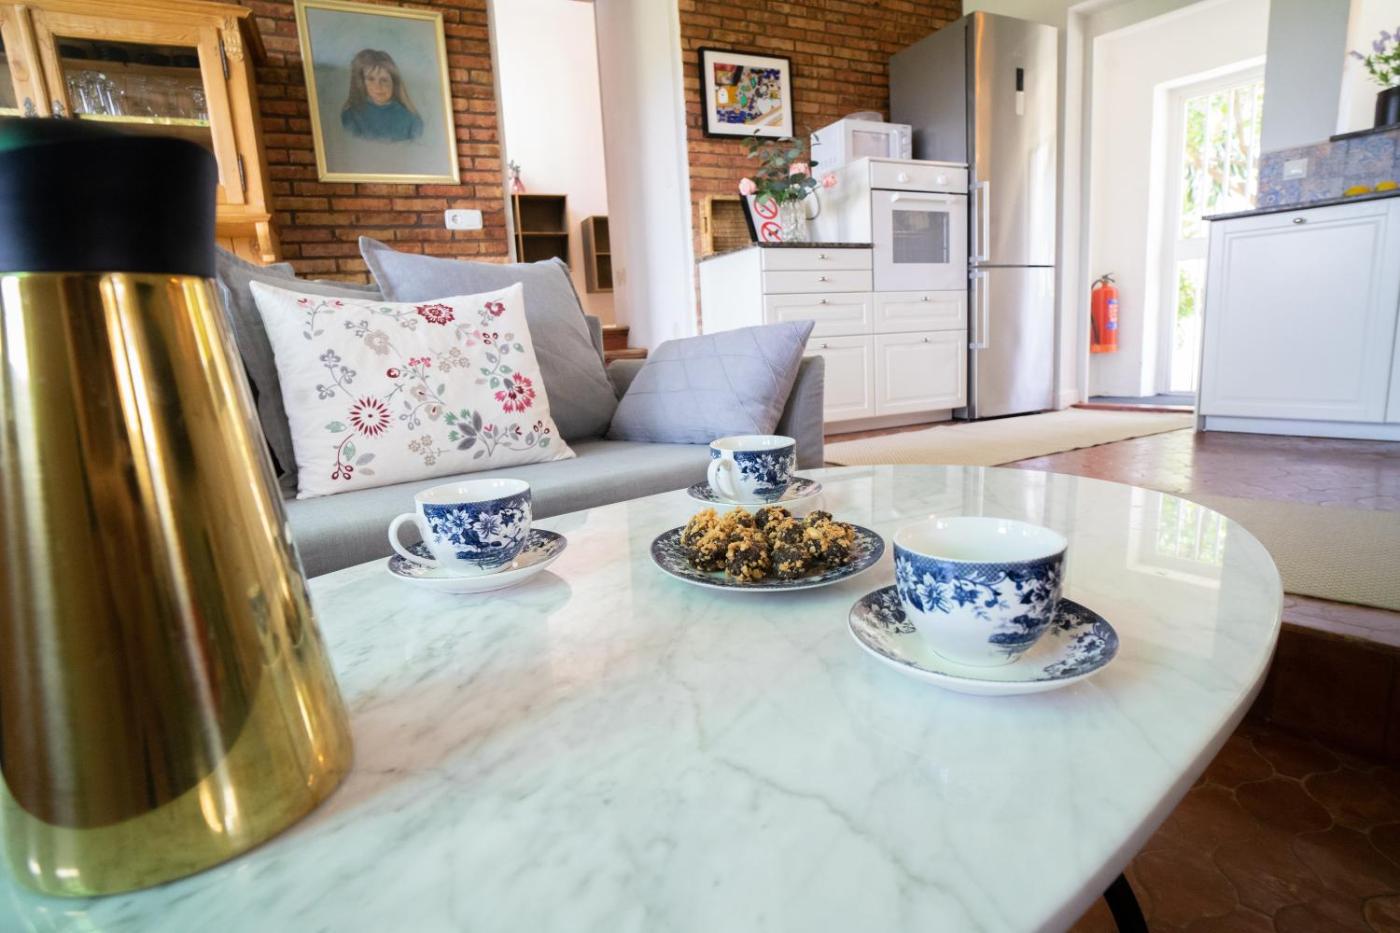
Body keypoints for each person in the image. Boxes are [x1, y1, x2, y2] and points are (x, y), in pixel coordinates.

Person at [341, 49, 422, 142]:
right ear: (362, 83)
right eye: (371, 79)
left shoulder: (410, 120)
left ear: (394, 83)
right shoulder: (351, 116)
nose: (378, 86)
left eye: (384, 80)